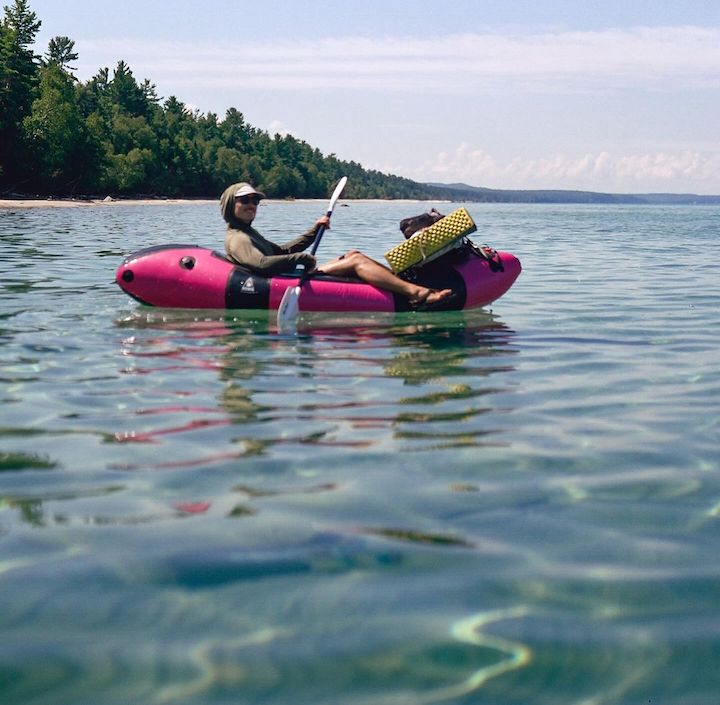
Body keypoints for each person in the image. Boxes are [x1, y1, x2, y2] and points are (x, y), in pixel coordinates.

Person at [220, 182, 452, 308]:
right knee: (356, 261)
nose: (252, 205)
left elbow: (283, 251)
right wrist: (301, 260)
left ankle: (399, 283)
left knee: (352, 254)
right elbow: (260, 264)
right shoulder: (239, 238)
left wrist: (315, 230)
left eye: (255, 201)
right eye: (245, 201)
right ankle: (416, 293)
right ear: (232, 205)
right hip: (287, 279)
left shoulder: (248, 232)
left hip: (290, 272)